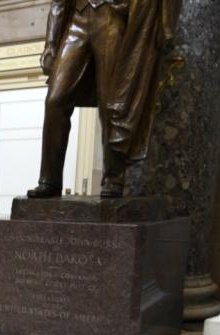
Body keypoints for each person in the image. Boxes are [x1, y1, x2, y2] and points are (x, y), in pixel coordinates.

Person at [27, 0, 180, 199]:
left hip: (111, 17)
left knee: (112, 101)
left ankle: (113, 178)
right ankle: (49, 180)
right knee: (55, 100)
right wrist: (51, 44)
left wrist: (162, 22)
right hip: (76, 21)